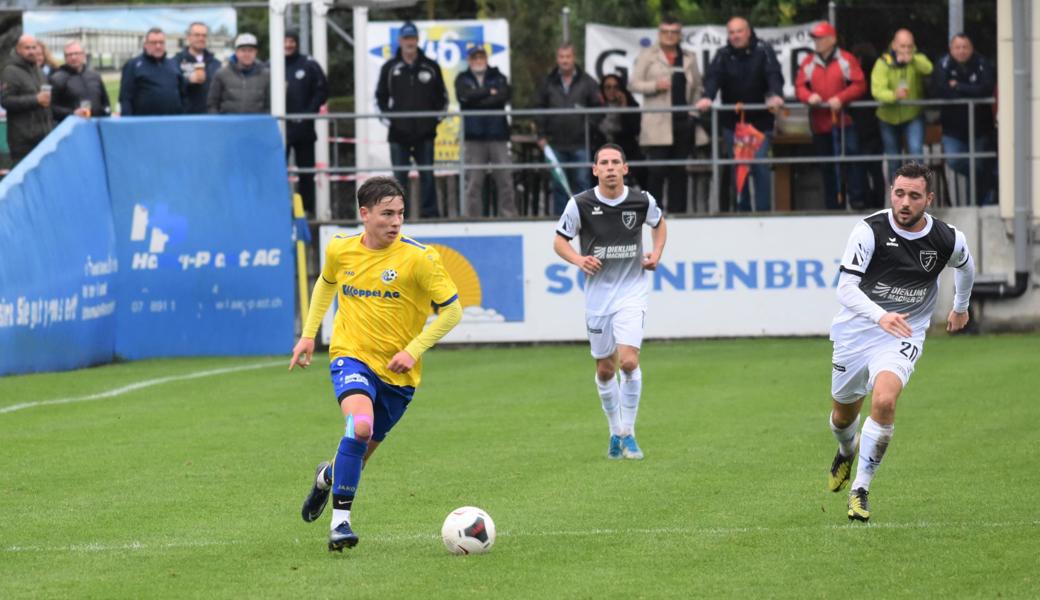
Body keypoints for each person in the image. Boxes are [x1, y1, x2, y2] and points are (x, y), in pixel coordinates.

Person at [290, 176, 462, 551]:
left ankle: (326, 478)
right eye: (387, 214)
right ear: (364, 214)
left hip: (400, 376)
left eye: (400, 213)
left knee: (357, 452)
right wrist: (308, 334)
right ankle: (340, 525)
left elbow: (453, 311)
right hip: (351, 355)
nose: (396, 221)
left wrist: (413, 349)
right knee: (360, 426)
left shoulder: (420, 257)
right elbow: (325, 283)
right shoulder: (341, 249)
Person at [826, 162, 975, 522]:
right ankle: (847, 450)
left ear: (929, 199)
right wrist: (880, 315)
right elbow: (845, 288)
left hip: (903, 334)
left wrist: (960, 307)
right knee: (842, 417)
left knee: (885, 400)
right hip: (856, 332)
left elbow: (966, 268)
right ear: (891, 192)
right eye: (899, 193)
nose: (905, 202)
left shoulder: (946, 238)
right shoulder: (869, 230)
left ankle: (860, 490)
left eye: (914, 195)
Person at [553, 143, 667, 460]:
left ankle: (628, 432)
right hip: (598, 297)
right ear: (595, 170)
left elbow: (659, 225)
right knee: (605, 369)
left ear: (625, 168)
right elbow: (559, 241)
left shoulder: (641, 200)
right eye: (604, 163)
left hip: (632, 292)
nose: (611, 167)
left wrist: (656, 254)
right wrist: (578, 260)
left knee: (628, 361)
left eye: (616, 162)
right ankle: (614, 430)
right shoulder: (580, 204)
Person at [695, 16, 784, 212]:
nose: (735, 36)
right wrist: (707, 97)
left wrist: (775, 95)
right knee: (739, 169)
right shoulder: (723, 54)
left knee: (760, 165)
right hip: (733, 125)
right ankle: (741, 211)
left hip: (760, 123)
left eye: (739, 31)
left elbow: (773, 75)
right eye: (731, 32)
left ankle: (763, 212)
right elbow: (713, 78)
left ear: (748, 31)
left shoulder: (763, 50)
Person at [629, 15, 702, 213]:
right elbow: (633, 84)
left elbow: (698, 89)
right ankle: (654, 216)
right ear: (659, 34)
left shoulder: (689, 57)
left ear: (680, 35)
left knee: (679, 171)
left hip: (682, 123)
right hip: (657, 123)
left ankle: (679, 215)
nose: (670, 36)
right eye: (666, 32)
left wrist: (693, 115)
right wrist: (654, 85)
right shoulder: (647, 55)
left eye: (674, 32)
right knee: (656, 171)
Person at [375, 21, 448, 219]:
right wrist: (393, 122)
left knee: (427, 176)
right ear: (400, 41)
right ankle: (399, 217)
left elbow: (443, 99)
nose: (410, 42)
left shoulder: (431, 67)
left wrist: (432, 122)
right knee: (399, 179)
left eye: (413, 38)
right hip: (399, 134)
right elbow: (379, 98)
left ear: (417, 39)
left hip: (425, 133)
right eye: (406, 38)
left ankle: (430, 215)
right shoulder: (390, 68)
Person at [795, 21, 867, 210]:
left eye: (820, 38)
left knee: (851, 162)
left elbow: (859, 84)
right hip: (820, 124)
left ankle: (857, 202)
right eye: (815, 38)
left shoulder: (846, 59)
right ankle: (833, 205)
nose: (816, 42)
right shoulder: (808, 62)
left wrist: (841, 98)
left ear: (832, 40)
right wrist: (809, 96)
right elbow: (800, 87)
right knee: (827, 166)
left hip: (845, 122)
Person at [536, 43, 603, 215]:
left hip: (581, 143)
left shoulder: (588, 82)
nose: (565, 61)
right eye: (561, 57)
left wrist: (588, 128)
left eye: (568, 56)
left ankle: (585, 219)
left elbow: (600, 109)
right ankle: (561, 221)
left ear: (574, 58)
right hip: (555, 143)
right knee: (559, 185)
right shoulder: (548, 82)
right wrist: (541, 135)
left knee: (582, 183)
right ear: (557, 59)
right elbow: (539, 109)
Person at [931, 33, 996, 205]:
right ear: (950, 49)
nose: (961, 51)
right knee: (957, 162)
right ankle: (988, 187)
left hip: (980, 128)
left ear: (971, 48)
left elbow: (987, 89)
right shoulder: (943, 64)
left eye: (965, 47)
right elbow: (941, 91)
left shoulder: (982, 63)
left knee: (980, 165)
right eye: (957, 47)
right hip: (953, 130)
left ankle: (976, 205)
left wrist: (959, 86)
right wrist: (971, 90)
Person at [455, 44, 517, 218]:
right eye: (475, 57)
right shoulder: (462, 78)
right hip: (473, 138)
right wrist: (489, 92)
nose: (478, 60)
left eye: (481, 56)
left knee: (505, 180)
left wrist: (477, 98)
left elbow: (503, 96)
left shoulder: (498, 76)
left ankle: (509, 217)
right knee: (473, 183)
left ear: (486, 58)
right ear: (469, 60)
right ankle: (472, 219)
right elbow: (464, 97)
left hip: (498, 136)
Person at [871, 29, 933, 183]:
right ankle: (896, 200)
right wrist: (894, 96)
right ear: (894, 45)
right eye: (902, 46)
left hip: (913, 115)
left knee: (916, 154)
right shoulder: (883, 62)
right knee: (893, 161)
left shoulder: (916, 59)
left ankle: (919, 193)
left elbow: (929, 68)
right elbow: (877, 91)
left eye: (909, 46)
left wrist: (912, 59)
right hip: (888, 118)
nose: (906, 50)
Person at [284, 30, 329, 217]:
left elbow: (322, 90)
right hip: (280, 130)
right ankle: (280, 210)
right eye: (285, 41)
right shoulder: (271, 65)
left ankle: (306, 211)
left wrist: (308, 113)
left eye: (291, 41)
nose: (288, 45)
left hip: (304, 129)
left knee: (306, 173)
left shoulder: (308, 64)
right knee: (277, 172)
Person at [1, 34, 54, 165]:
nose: (31, 51)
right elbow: (6, 101)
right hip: (23, 142)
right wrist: (35, 100)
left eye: (34, 47)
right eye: (27, 48)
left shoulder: (38, 71)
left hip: (44, 137)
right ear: (18, 49)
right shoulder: (10, 71)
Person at [119, 27, 185, 116]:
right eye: (154, 43)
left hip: (172, 122)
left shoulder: (173, 64)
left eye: (161, 42)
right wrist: (128, 123)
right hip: (144, 123)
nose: (158, 46)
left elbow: (183, 93)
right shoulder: (133, 65)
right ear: (146, 44)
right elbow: (125, 98)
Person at [597, 74, 644, 189]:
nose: (611, 91)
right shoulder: (597, 106)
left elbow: (634, 130)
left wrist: (624, 108)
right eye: (607, 87)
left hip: (626, 151)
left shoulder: (631, 105)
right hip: (601, 151)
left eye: (615, 87)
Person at [207, 34, 270, 114]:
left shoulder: (266, 75)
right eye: (243, 50)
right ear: (236, 52)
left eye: (250, 50)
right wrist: (218, 123)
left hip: (256, 125)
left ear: (256, 52)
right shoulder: (221, 74)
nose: (247, 54)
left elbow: (269, 105)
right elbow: (212, 104)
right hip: (228, 125)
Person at [50, 40, 111, 122]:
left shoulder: (95, 76)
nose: (73, 57)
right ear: (65, 57)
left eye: (76, 53)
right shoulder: (57, 79)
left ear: (83, 55)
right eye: (69, 54)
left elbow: (105, 102)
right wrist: (72, 113)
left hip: (96, 125)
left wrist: (106, 114)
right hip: (73, 128)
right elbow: (50, 108)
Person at [173, 22, 222, 115]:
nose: (201, 38)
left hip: (210, 118)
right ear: (188, 37)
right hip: (185, 118)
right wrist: (188, 80)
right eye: (197, 35)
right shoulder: (176, 61)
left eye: (204, 35)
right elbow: (170, 87)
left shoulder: (216, 63)